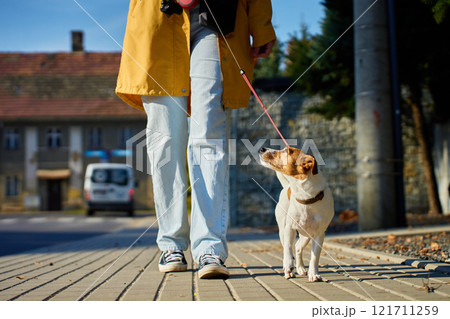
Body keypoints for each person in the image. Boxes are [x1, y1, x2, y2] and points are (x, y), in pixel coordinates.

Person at [116, 0, 276, 279]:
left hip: (217, 20)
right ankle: (171, 243)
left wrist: (261, 25)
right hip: (157, 21)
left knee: (209, 137)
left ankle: (209, 247)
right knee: (164, 139)